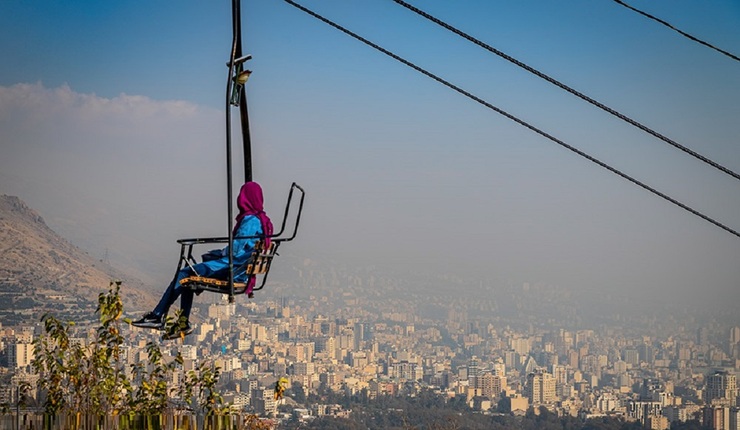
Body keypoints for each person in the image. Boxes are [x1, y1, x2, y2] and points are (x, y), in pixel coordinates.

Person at [132, 181, 273, 339]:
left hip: (232, 268)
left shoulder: (250, 221)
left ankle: (157, 316)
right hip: (240, 270)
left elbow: (235, 250)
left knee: (184, 274)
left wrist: (220, 253)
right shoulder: (262, 221)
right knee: (188, 279)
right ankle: (181, 322)